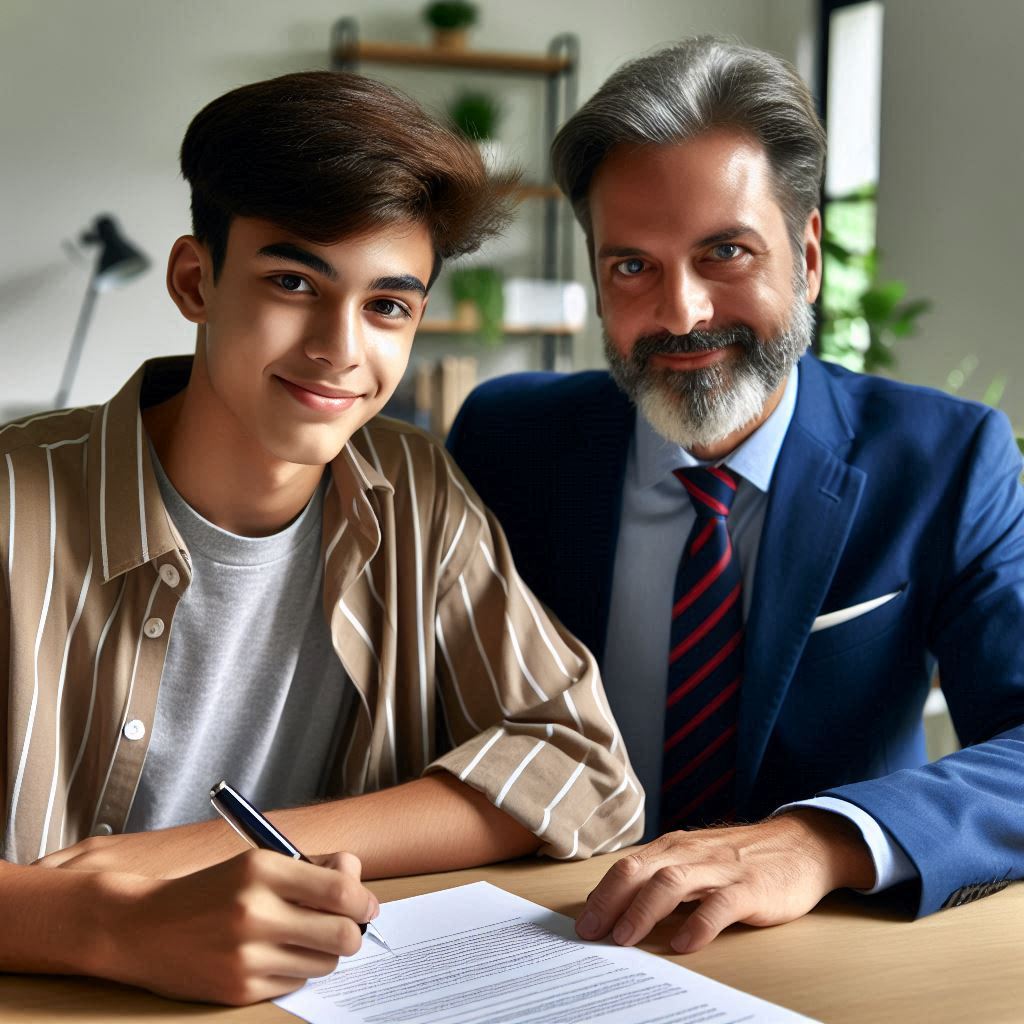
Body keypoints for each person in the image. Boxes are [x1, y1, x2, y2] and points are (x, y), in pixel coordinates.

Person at [0, 72, 642, 1005]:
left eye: (388, 305)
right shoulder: (14, 502)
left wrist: (208, 847)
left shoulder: (415, 490)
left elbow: (586, 770)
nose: (342, 347)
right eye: (293, 282)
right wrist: (115, 921)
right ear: (195, 280)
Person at [448, 36, 1024, 955]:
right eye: (631, 265)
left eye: (724, 252)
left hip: (819, 948)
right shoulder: (505, 440)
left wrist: (819, 840)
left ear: (807, 255)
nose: (681, 313)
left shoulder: (947, 458)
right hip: (544, 936)